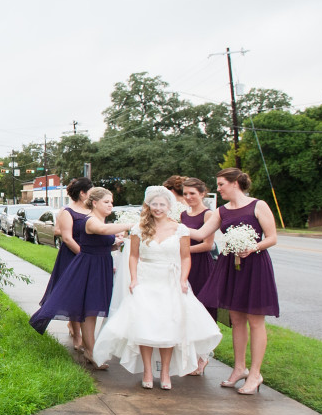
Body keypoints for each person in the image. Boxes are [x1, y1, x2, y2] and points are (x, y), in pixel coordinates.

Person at [94, 187, 221, 389]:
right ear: (148, 205)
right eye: (154, 204)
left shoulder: (180, 229)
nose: (158, 208)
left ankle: (165, 374)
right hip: (146, 280)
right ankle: (147, 371)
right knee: (145, 325)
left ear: (169, 207)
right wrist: (134, 279)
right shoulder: (138, 228)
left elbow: (186, 257)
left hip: (170, 281)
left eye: (162, 204)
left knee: (168, 327)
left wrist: (183, 279)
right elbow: (134, 256)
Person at [189, 168, 278, 395]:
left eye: (221, 184)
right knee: (237, 319)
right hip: (231, 266)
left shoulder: (259, 205)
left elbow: (272, 238)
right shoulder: (221, 211)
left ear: (235, 183)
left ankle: (255, 374)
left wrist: (253, 247)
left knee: (255, 321)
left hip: (255, 266)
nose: (218, 189)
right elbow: (200, 234)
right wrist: (170, 226)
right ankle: (239, 369)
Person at [29, 187, 134, 369]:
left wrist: (116, 245)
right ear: (94, 203)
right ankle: (91, 352)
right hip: (89, 267)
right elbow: (102, 230)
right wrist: (131, 224)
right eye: (106, 202)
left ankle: (90, 350)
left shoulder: (100, 219)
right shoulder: (91, 221)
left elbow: (102, 242)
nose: (110, 205)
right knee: (90, 310)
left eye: (111, 202)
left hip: (102, 266)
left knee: (94, 309)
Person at [39, 177, 93, 350]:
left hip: (90, 256)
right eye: (90, 192)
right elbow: (67, 238)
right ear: (82, 193)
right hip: (73, 256)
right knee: (74, 294)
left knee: (86, 295)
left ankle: (85, 334)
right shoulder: (67, 211)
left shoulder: (93, 210)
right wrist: (83, 254)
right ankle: (77, 334)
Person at [181, 177, 218, 332]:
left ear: (202, 194)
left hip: (201, 264)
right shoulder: (183, 215)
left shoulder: (208, 214)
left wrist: (185, 250)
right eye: (185, 193)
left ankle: (206, 346)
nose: (188, 197)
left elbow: (208, 245)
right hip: (184, 263)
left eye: (192, 193)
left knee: (202, 302)